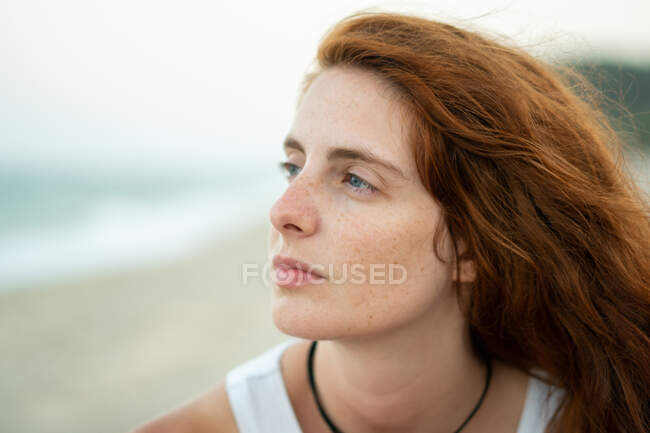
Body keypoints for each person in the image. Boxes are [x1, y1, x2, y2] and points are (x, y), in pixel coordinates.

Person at [129, 10, 650, 433]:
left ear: (472, 245)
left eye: (356, 179)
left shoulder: (594, 421)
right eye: (294, 167)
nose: (283, 212)